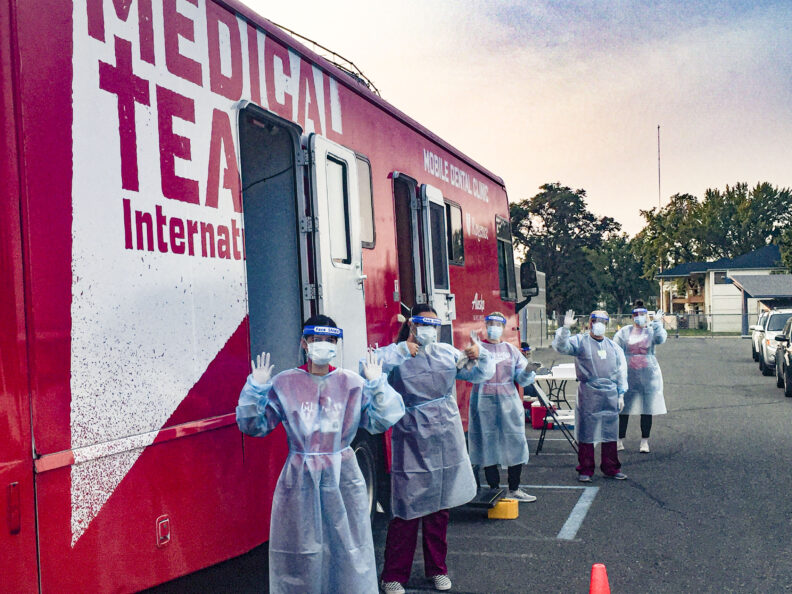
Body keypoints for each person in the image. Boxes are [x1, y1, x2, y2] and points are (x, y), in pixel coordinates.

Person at [236, 315, 405, 594]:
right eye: (316, 340)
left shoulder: (351, 383)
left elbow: (382, 419)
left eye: (329, 340)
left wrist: (377, 386)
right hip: (300, 476)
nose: (322, 346)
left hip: (343, 474)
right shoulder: (286, 383)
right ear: (304, 343)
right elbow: (254, 425)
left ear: (336, 344)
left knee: (348, 544)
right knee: (300, 547)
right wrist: (256, 390)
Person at [375, 304, 495, 594]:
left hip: (445, 438)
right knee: (406, 508)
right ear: (411, 325)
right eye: (422, 323)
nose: (428, 329)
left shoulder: (446, 354)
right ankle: (393, 574)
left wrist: (480, 355)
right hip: (411, 438)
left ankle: (437, 569)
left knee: (439, 508)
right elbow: (370, 370)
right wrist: (401, 351)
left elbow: (479, 373)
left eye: (433, 324)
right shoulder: (397, 354)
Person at [468, 312, 538, 502]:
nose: (493, 327)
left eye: (498, 324)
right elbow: (466, 371)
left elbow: (521, 378)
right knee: (487, 444)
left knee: (515, 442)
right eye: (490, 323)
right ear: (485, 324)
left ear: (504, 327)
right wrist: (471, 354)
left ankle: (514, 488)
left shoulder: (510, 350)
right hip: (483, 402)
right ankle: (494, 490)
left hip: (508, 403)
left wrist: (529, 371)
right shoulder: (478, 348)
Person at [552, 309, 628, 482]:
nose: (598, 324)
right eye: (595, 320)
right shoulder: (580, 342)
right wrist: (565, 329)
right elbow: (561, 347)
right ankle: (585, 469)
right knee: (587, 430)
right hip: (589, 392)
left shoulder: (613, 347)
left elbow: (621, 371)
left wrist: (621, 393)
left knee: (610, 431)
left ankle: (611, 467)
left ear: (607, 324)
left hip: (610, 392)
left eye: (602, 321)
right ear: (590, 322)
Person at [613, 302, 667, 453]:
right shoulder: (624, 332)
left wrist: (657, 324)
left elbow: (661, 338)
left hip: (648, 374)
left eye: (642, 315)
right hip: (628, 373)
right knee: (624, 407)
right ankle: (619, 439)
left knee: (647, 408)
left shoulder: (651, 331)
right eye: (636, 315)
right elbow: (615, 349)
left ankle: (644, 441)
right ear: (632, 317)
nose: (639, 318)